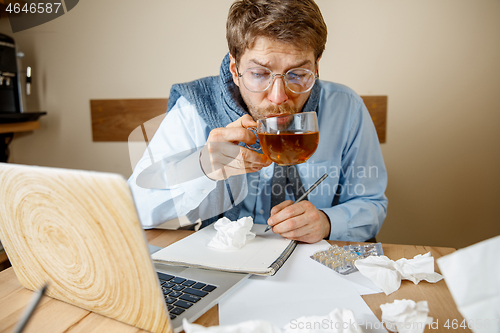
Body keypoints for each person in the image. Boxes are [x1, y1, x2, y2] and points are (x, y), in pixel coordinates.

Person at [128, 0, 388, 243]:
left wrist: (327, 222)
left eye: (297, 73)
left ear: (317, 66)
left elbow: (371, 202)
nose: (278, 97)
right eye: (259, 73)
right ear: (234, 68)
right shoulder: (192, 110)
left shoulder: (347, 107)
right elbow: (134, 209)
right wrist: (202, 166)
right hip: (221, 263)